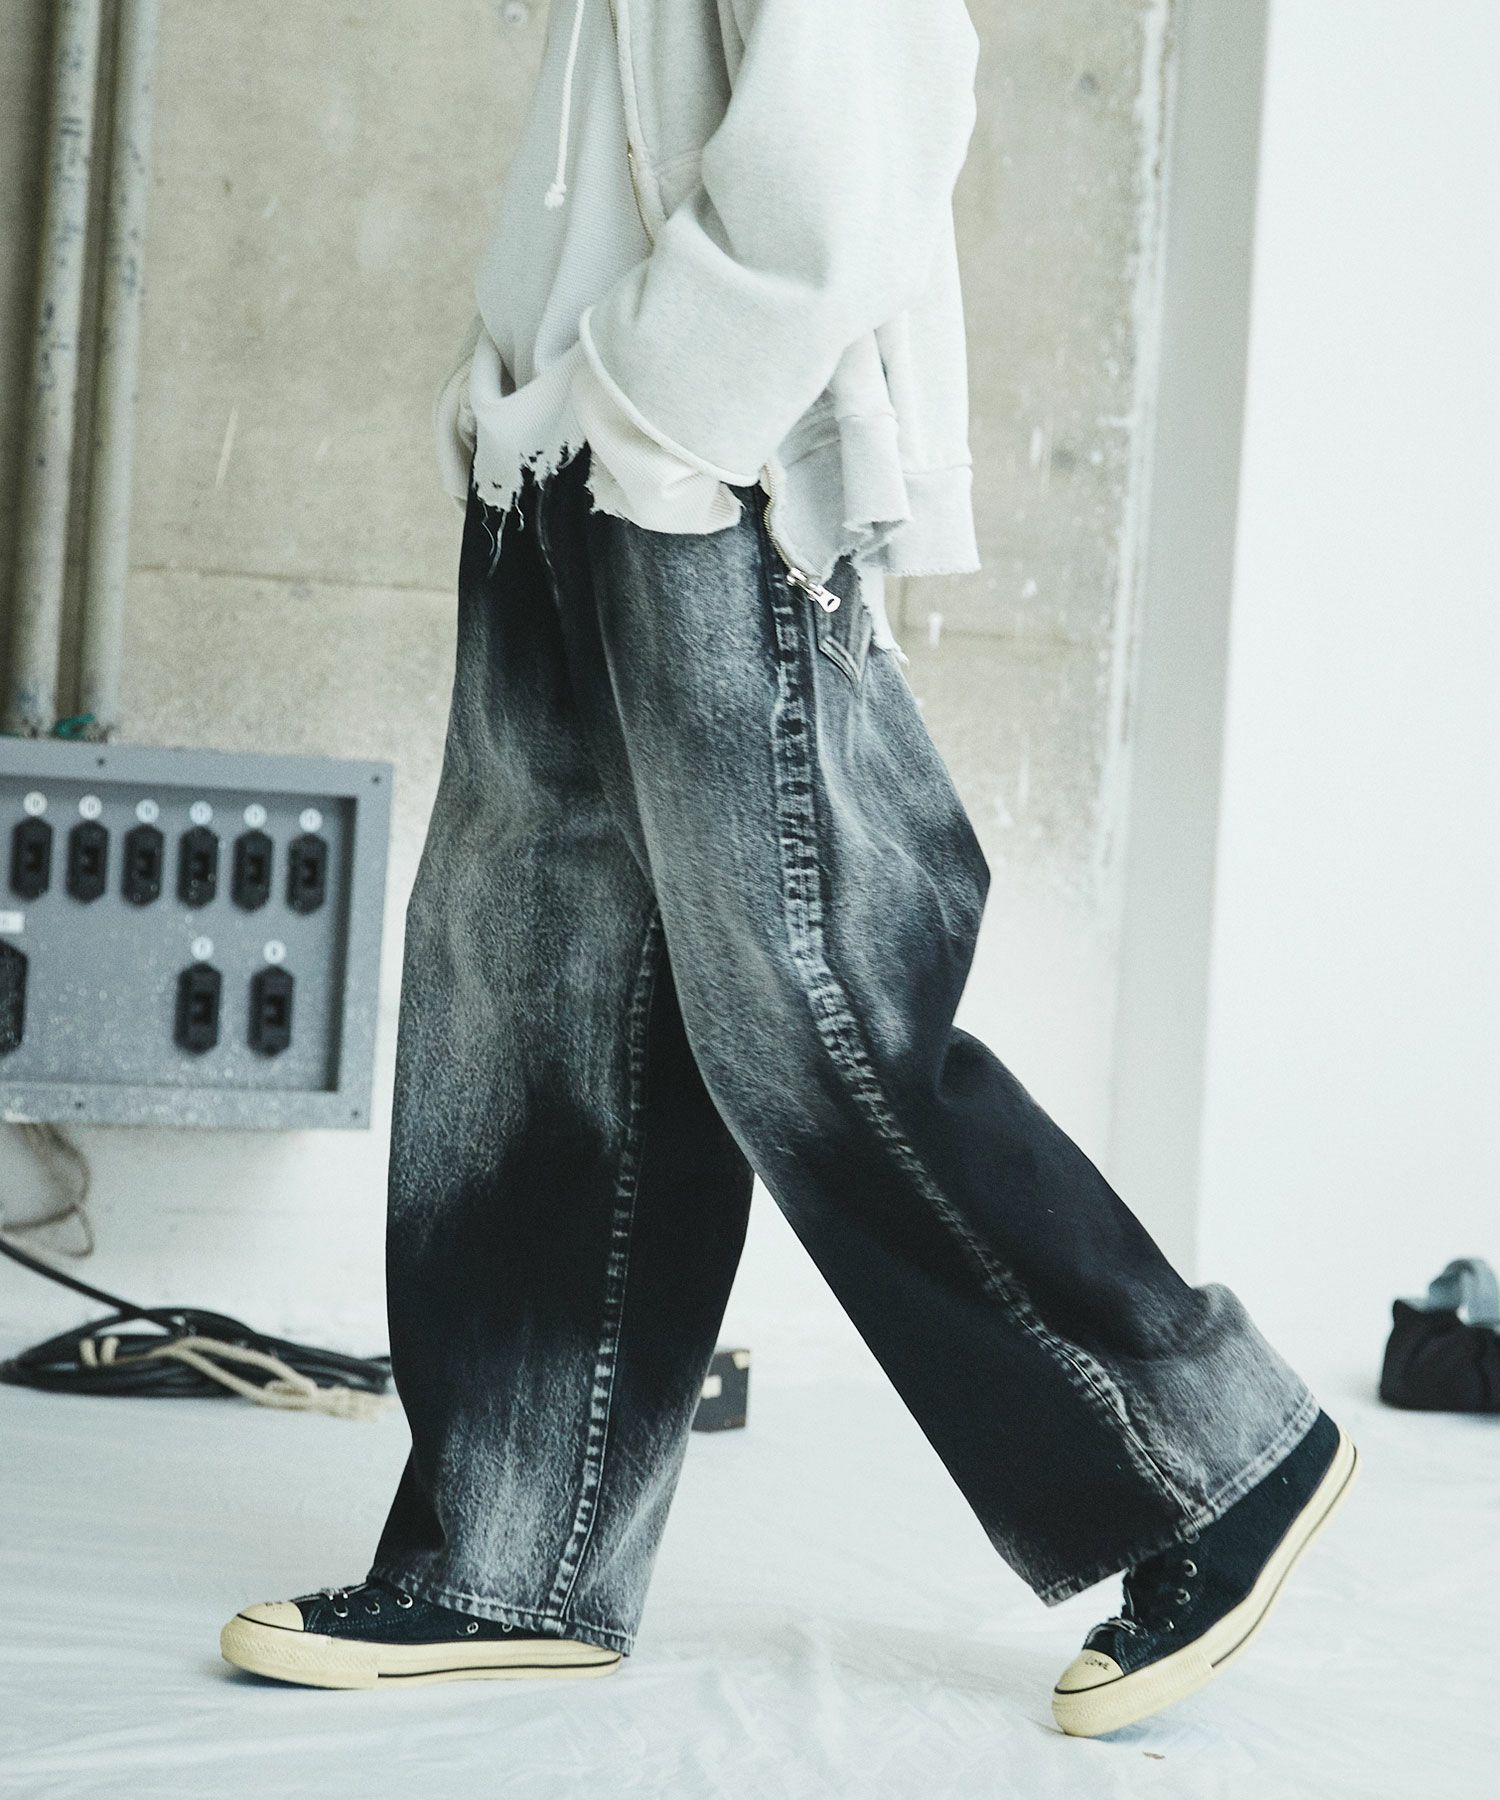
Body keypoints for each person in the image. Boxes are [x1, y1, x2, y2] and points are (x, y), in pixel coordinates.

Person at [219, 0, 1356, 1736]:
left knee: (816, 1019)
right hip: (564, 458)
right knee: (541, 1011)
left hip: (701, 471)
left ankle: (1212, 1458)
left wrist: (654, 406)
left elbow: (869, 105)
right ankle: (511, 1553)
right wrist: (530, 388)